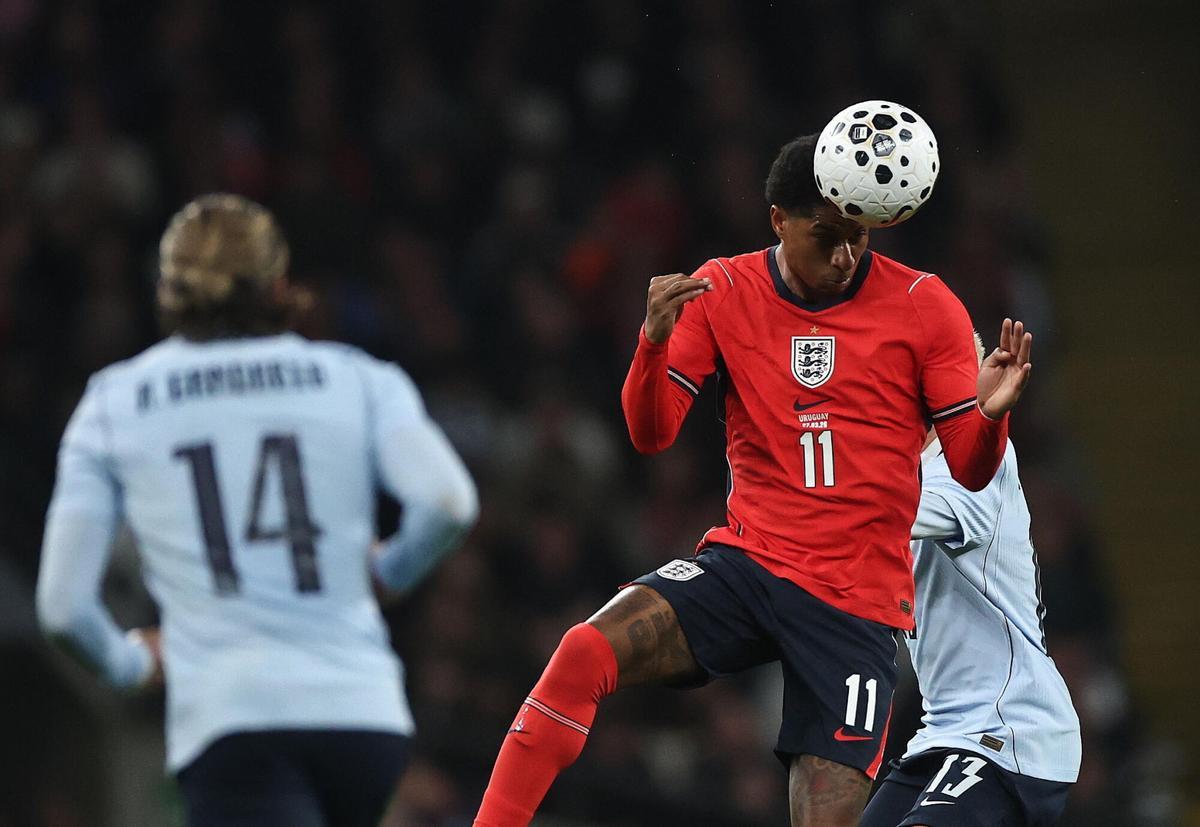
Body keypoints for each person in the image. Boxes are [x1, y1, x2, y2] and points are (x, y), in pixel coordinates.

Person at [473, 132, 1035, 826]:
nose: (845, 254)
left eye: (858, 235)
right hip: (749, 566)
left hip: (854, 607)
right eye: (825, 235)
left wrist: (992, 414)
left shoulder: (927, 305)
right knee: (584, 650)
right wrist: (650, 343)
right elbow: (651, 435)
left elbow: (972, 470)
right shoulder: (722, 290)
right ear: (778, 219)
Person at [35, 194, 479, 827]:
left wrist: (129, 663)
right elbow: (448, 503)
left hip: (234, 719)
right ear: (278, 283)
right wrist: (389, 573)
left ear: (167, 286)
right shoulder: (356, 378)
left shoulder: (115, 402)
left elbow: (63, 609)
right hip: (364, 716)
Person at [860, 338, 1080, 827]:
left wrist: (812, 479)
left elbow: (882, 509)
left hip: (1013, 729)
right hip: (943, 731)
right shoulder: (911, 471)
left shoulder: (979, 464)